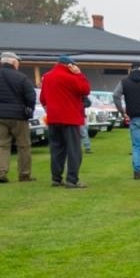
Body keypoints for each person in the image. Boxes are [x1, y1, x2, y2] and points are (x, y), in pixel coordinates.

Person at [0, 51, 37, 183]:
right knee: (23, 145)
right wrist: (29, 109)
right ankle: (24, 174)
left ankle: (1, 173)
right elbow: (31, 97)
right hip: (18, 116)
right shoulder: (22, 77)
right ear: (14, 62)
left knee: (2, 144)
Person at [40, 55, 91, 188]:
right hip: (70, 118)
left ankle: (56, 178)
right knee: (74, 150)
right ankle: (72, 179)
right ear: (70, 65)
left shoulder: (47, 77)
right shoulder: (71, 77)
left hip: (53, 118)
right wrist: (79, 74)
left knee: (56, 149)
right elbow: (85, 89)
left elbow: (43, 99)